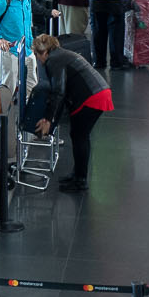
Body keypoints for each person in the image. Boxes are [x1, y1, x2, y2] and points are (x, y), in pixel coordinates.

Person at [31, 31, 112, 194]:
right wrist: (52, 120)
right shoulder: (61, 54)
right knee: (78, 135)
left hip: (92, 97)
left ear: (44, 52)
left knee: (80, 136)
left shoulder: (54, 60)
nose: (38, 60)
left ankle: (81, 180)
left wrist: (47, 119)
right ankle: (77, 174)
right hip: (98, 91)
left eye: (37, 55)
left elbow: (58, 92)